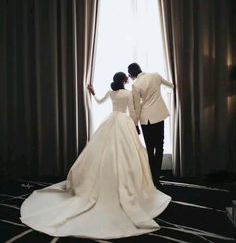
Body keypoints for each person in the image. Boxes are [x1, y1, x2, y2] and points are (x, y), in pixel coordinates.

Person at [20, 72, 171, 239]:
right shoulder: (128, 93)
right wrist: (135, 126)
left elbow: (98, 101)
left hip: (111, 121)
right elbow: (133, 111)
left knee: (104, 153)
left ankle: (100, 183)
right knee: (128, 155)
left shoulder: (111, 93)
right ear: (124, 80)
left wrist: (92, 92)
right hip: (124, 123)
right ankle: (129, 185)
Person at [128, 63, 174, 188]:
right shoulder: (155, 75)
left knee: (150, 148)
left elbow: (137, 107)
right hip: (159, 115)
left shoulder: (136, 84)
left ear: (132, 75)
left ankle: (151, 177)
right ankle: (156, 177)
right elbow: (171, 86)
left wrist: (135, 123)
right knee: (160, 146)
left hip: (146, 119)